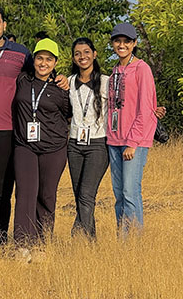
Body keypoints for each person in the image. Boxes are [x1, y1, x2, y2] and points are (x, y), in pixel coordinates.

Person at [0, 4, 63, 246]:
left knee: (2, 192)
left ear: (4, 25)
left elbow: (39, 76)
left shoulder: (21, 53)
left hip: (7, 131)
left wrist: (60, 78)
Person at [13, 38, 70, 261]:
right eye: (39, 58)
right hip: (25, 146)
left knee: (46, 195)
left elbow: (68, 114)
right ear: (33, 59)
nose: (43, 63)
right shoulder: (22, 80)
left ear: (55, 62)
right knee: (25, 193)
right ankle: (21, 245)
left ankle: (41, 244)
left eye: (48, 59)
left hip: (54, 148)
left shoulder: (61, 88)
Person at [107, 23, 157, 234]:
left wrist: (133, 142)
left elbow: (146, 108)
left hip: (133, 142)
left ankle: (135, 242)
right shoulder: (114, 70)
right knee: (119, 194)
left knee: (130, 192)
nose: (122, 45)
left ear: (134, 43)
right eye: (117, 41)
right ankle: (123, 240)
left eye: (127, 41)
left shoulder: (142, 68)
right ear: (112, 43)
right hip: (114, 140)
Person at [67, 37, 109, 239]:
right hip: (74, 144)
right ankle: (90, 242)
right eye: (77, 53)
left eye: (86, 52)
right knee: (80, 196)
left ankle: (78, 236)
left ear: (94, 54)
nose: (82, 57)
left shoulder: (107, 82)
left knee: (86, 194)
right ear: (73, 58)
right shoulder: (67, 82)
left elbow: (127, 104)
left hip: (98, 144)